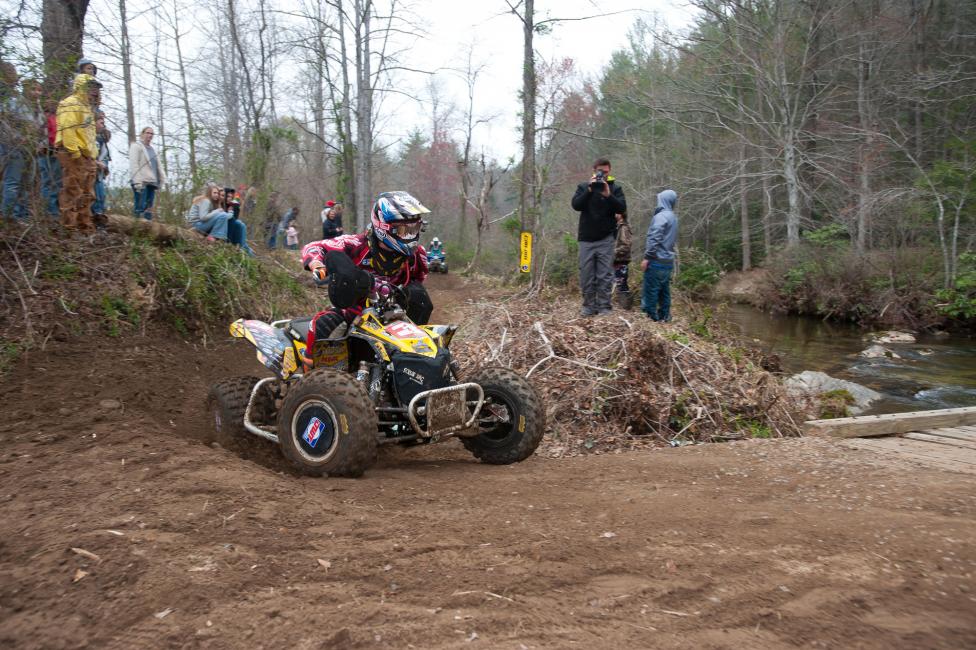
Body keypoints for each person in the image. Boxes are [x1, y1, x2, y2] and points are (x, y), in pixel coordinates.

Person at [301, 191, 433, 350]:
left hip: (394, 316)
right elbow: (314, 247)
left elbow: (417, 282)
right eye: (404, 231)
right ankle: (310, 371)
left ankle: (413, 360)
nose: (410, 236)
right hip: (354, 311)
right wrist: (318, 265)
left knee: (420, 299)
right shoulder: (355, 244)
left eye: (415, 229)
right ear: (383, 226)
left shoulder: (417, 255)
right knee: (324, 324)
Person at [571, 157, 627, 316]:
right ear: (594, 170)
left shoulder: (615, 189)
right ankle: (589, 306)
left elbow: (622, 208)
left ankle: (604, 306)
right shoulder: (583, 187)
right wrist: (589, 190)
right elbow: (576, 205)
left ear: (610, 172)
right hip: (586, 239)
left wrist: (608, 195)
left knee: (605, 274)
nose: (603, 174)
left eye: (606, 172)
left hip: (606, 238)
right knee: (586, 274)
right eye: (600, 171)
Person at [55, 73, 102, 231]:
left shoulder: (87, 108)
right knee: (72, 190)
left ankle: (85, 227)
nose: (94, 91)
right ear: (81, 87)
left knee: (88, 194)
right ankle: (69, 228)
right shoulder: (70, 103)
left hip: (88, 156)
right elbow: (68, 130)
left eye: (96, 88)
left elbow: (89, 133)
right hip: (74, 154)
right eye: (91, 87)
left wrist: (93, 156)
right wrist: (75, 154)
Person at [1, 64, 35, 221]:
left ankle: (23, 217)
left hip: (27, 147)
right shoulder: (7, 100)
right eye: (10, 74)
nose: (15, 78)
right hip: (12, 145)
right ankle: (10, 218)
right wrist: (17, 138)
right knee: (13, 182)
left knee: (25, 184)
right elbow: (6, 121)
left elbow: (31, 124)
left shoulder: (21, 100)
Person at [641, 189, 679, 322]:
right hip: (668, 262)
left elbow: (654, 238)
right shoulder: (673, 217)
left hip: (656, 260)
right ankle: (665, 317)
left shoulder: (661, 217)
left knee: (651, 291)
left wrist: (647, 257)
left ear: (663, 200)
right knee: (664, 291)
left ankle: (650, 319)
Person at [128, 125, 165, 220]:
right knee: (140, 208)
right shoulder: (136, 146)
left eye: (152, 133)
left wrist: (161, 180)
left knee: (148, 210)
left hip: (152, 183)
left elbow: (157, 167)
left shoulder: (153, 150)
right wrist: (137, 182)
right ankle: (136, 232)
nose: (150, 135)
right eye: (148, 133)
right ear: (142, 134)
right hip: (141, 182)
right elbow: (134, 164)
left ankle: (147, 233)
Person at [91, 110, 111, 226]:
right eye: (101, 122)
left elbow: (104, 154)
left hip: (99, 175)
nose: (103, 125)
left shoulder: (101, 140)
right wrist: (97, 163)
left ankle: (100, 225)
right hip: (91, 175)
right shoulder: (89, 138)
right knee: (95, 199)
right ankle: (95, 225)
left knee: (101, 198)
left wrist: (104, 165)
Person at [612, 212, 633, 310]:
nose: (614, 214)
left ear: (621, 214)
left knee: (622, 283)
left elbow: (626, 246)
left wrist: (613, 252)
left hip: (622, 260)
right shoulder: (617, 226)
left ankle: (625, 307)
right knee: (617, 283)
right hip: (617, 260)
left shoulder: (623, 227)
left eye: (616, 212)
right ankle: (621, 306)